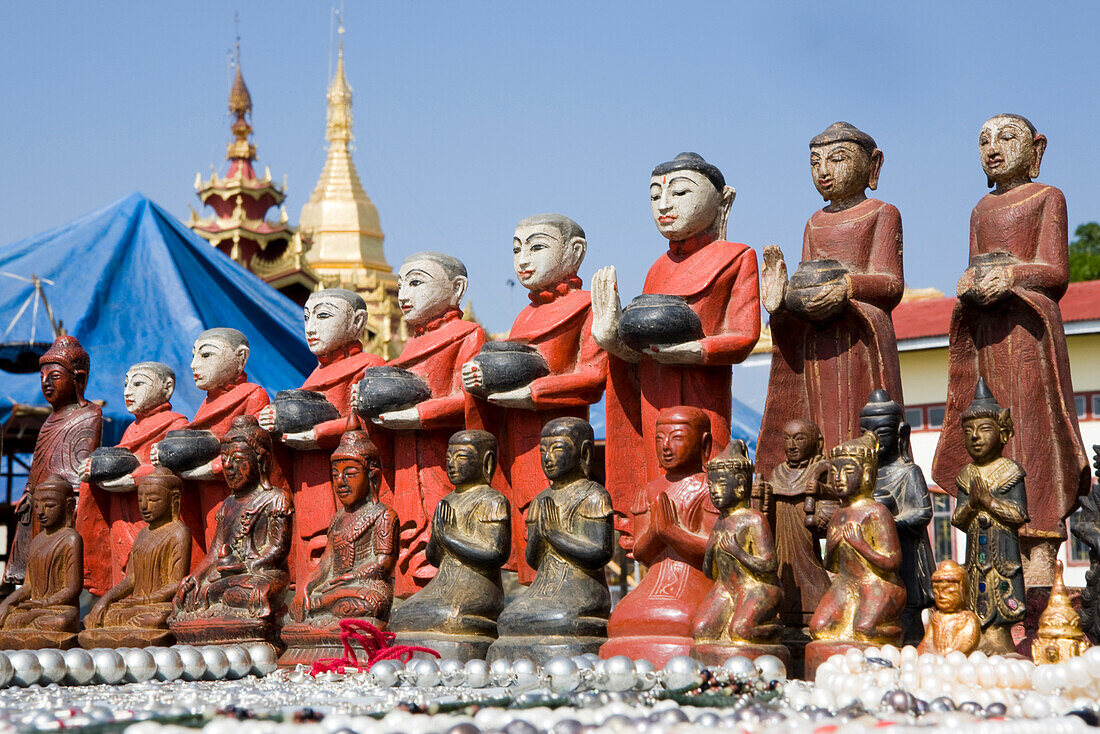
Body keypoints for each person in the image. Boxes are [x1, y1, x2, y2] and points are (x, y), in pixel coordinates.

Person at [933, 114, 1088, 588]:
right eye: (983, 140)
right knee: (985, 423)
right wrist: (971, 282)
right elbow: (976, 265)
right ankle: (988, 554)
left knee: (1031, 434)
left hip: (1028, 337)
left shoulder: (1048, 198)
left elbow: (1054, 271)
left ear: (1036, 149)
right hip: (987, 339)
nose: (992, 147)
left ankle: (1040, 550)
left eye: (1006, 137)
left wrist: (1012, 276)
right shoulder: (982, 209)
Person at [592, 152, 760, 544]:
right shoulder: (656, 268)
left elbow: (744, 335)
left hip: (704, 390)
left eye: (681, 192)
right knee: (659, 479)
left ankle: (708, 560)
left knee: (708, 478)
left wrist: (690, 350)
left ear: (723, 200)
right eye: (655, 196)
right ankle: (659, 560)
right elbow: (644, 347)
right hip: (656, 389)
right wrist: (611, 338)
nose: (665, 205)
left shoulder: (736, 257)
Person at [463, 215, 606, 581]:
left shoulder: (587, 305)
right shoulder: (523, 317)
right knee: (529, 525)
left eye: (537, 246)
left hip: (564, 440)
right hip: (522, 442)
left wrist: (531, 393)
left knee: (567, 525)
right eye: (516, 249)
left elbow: (592, 378)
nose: (523, 259)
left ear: (574, 252)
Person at [757, 123, 904, 477]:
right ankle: (821, 484)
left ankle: (865, 483)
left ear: (873, 165)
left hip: (860, 337)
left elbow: (891, 283)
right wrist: (782, 298)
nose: (824, 171)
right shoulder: (814, 223)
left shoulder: (882, 213)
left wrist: (848, 285)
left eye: (837, 159)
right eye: (815, 162)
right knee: (821, 419)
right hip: (819, 341)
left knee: (863, 419)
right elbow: (810, 281)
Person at [373, 252, 486, 597]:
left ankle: (451, 596)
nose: (403, 294)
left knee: (446, 530)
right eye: (401, 284)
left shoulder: (468, 335)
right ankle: (410, 597)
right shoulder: (405, 351)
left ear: (456, 289)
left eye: (417, 282)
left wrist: (418, 415)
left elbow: (467, 400)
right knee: (407, 530)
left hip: (444, 458)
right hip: (406, 461)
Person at [258, 289, 385, 583]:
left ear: (357, 322)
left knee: (342, 548)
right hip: (308, 477)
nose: (311, 327)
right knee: (309, 547)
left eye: (323, 315)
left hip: (344, 477)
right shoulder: (311, 379)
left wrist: (317, 433)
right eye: (306, 317)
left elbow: (366, 426)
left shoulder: (370, 365)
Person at [488, 418, 613, 663]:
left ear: (584, 452)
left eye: (557, 449)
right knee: (507, 619)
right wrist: (539, 537)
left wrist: (556, 535)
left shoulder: (593, 494)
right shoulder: (541, 499)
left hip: (581, 591)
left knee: (561, 620)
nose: (548, 458)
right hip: (544, 589)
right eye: (543, 451)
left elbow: (600, 552)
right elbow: (533, 560)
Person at [602, 407, 716, 664]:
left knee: (691, 621)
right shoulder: (649, 490)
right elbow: (642, 552)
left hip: (695, 582)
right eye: (659, 438)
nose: (666, 446)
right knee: (621, 619)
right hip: (654, 583)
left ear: (704, 443)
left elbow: (715, 549)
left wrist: (672, 532)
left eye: (677, 437)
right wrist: (656, 531)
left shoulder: (709, 488)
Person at [388, 430, 510, 661]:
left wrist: (449, 538)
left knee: (452, 616)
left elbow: (496, 553)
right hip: (443, 584)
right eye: (448, 458)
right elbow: (434, 557)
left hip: (477, 587)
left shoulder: (492, 500)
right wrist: (437, 537)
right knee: (400, 615)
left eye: (461, 457)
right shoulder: (446, 501)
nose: (451, 465)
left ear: (487, 462)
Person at [151, 328, 269, 566]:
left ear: (241, 358)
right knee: (210, 548)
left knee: (237, 554)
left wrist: (211, 468)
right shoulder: (204, 405)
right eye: (193, 355)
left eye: (206, 356)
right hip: (207, 496)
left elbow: (253, 449)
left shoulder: (253, 395)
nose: (194, 365)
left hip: (238, 496)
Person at [171, 416, 291, 641]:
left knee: (251, 593)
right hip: (228, 577)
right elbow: (215, 552)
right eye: (224, 459)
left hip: (262, 574)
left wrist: (245, 565)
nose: (228, 467)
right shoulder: (227, 505)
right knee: (193, 595)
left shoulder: (276, 498)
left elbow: (277, 550)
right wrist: (194, 577)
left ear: (261, 462)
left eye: (236, 459)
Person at [78, 361, 187, 595]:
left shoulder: (176, 424)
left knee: (152, 569)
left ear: (167, 388)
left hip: (150, 513)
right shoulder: (130, 429)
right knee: (123, 574)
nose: (128, 391)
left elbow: (175, 472)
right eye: (126, 384)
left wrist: (134, 478)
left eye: (138, 384)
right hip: (122, 510)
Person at [5, 336, 101, 589]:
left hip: (62, 508)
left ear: (78, 379)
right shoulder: (48, 421)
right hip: (38, 506)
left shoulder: (89, 414)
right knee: (31, 576)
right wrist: (28, 491)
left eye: (54, 376)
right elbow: (39, 466)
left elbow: (77, 471)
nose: (46, 384)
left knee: (58, 574)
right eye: (42, 378)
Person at [949, 378, 1028, 654]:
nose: (975, 437)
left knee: (1001, 587)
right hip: (975, 553)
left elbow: (1018, 514)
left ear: (1003, 432)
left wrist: (989, 502)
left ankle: (999, 636)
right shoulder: (967, 474)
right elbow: (957, 519)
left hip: (1002, 551)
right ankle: (979, 637)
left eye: (983, 429)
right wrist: (972, 505)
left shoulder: (1009, 471)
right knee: (975, 589)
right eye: (969, 431)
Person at [810, 433, 905, 645]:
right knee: (818, 629)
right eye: (834, 472)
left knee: (865, 630)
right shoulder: (837, 515)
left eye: (847, 471)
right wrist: (833, 546)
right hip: (846, 583)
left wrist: (860, 544)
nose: (838, 478)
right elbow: (832, 567)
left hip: (877, 583)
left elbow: (893, 562)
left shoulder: (876, 513)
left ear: (866, 474)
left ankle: (896, 632)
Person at [80, 468, 192, 647]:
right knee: (101, 616)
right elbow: (130, 580)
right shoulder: (141, 535)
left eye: (153, 500)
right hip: (136, 605)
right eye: (140, 499)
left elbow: (175, 583)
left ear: (174, 500)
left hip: (157, 606)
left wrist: (145, 600)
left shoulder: (179, 533)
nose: (145, 506)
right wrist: (105, 600)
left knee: (157, 618)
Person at [692, 440, 783, 653]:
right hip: (726, 588)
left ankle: (776, 630)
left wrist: (738, 552)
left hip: (757, 587)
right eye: (711, 485)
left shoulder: (753, 520)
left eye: (721, 484)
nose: (714, 491)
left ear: (741, 485)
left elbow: (769, 565)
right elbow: (710, 572)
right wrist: (710, 550)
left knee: (741, 631)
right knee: (701, 631)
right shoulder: (720, 522)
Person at [859, 389, 935, 643]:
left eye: (881, 433)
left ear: (901, 433)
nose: (873, 440)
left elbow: (923, 513)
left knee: (907, 615)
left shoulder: (907, 472)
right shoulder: (862, 478)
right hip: (872, 558)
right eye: (865, 434)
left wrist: (888, 524)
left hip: (906, 555)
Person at [759, 419, 830, 626]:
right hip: (781, 543)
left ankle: (815, 610)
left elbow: (831, 508)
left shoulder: (821, 470)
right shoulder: (778, 473)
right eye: (787, 439)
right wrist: (762, 497)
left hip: (806, 542)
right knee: (781, 573)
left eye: (799, 439)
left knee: (811, 573)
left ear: (816, 442)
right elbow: (766, 512)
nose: (792, 445)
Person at [0, 475, 83, 644]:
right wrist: (7, 603)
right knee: (9, 619)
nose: (41, 512)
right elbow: (29, 586)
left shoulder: (71, 539)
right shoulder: (36, 541)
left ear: (68, 506)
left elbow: (73, 589)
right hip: (36, 608)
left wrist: (43, 604)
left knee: (60, 622)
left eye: (49, 506)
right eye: (37, 506)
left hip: (59, 610)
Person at [916, 560, 981, 656]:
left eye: (948, 592)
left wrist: (950, 655)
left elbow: (967, 642)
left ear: (962, 591)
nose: (941, 596)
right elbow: (927, 643)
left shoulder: (967, 618)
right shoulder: (936, 617)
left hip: (955, 661)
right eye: (936, 592)